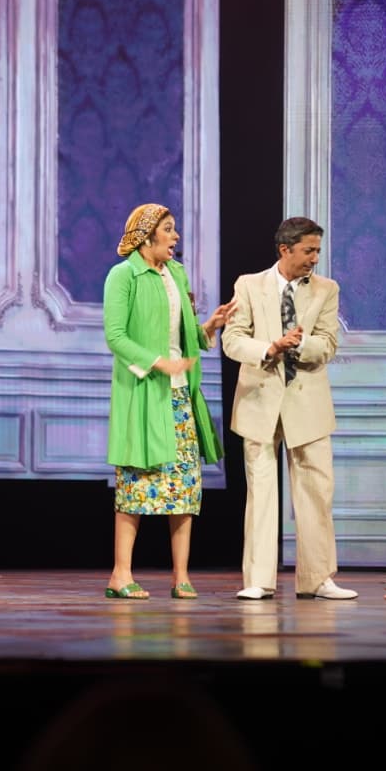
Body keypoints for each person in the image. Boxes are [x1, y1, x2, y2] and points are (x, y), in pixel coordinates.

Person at [102, 202, 235, 599]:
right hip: (144, 394)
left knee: (184, 486)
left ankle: (181, 575)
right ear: (146, 235)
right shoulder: (124, 275)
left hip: (179, 397)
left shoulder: (175, 273)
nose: (175, 236)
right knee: (136, 484)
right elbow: (116, 336)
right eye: (168, 228)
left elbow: (184, 335)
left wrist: (209, 327)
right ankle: (120, 574)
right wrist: (157, 362)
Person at [222, 216, 356, 600]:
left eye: (317, 251)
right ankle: (258, 580)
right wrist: (270, 347)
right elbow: (233, 340)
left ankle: (318, 579)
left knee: (316, 492)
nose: (314, 258)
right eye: (308, 250)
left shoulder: (326, 290)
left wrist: (299, 344)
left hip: (307, 402)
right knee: (261, 493)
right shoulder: (249, 285)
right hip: (259, 401)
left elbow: (328, 344)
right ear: (285, 249)